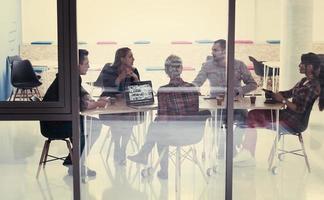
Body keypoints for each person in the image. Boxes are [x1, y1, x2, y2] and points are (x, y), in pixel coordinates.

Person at [128, 55, 211, 179]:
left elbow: (163, 119)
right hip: (194, 134)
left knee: (157, 127)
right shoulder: (193, 88)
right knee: (158, 127)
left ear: (166, 71)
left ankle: (160, 169)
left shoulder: (163, 91)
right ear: (181, 69)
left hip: (175, 136)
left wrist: (157, 122)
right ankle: (145, 155)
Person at [242, 52, 324, 161]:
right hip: (286, 115)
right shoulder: (304, 81)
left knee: (253, 115)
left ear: (310, 67)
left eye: (302, 63)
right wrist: (274, 93)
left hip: (294, 122)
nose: (299, 65)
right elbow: (289, 93)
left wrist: (283, 100)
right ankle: (247, 152)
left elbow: (299, 109)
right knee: (253, 113)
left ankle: (247, 154)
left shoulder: (313, 86)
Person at [40, 49, 108, 176]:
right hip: (55, 126)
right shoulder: (70, 78)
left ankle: (74, 162)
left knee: (89, 125)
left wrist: (90, 98)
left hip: (61, 120)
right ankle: (75, 163)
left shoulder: (69, 75)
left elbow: (81, 93)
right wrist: (98, 104)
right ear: (78, 65)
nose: (89, 66)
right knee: (94, 126)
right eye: (86, 63)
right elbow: (82, 106)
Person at [192, 39, 258, 160]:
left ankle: (235, 146)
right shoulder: (207, 65)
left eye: (215, 50)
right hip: (217, 106)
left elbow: (253, 84)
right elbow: (197, 82)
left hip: (236, 105)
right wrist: (193, 89)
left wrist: (239, 90)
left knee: (247, 121)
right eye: (212, 49)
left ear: (225, 52)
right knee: (216, 124)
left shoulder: (239, 65)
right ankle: (228, 152)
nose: (212, 52)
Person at [98, 47, 140, 165]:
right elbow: (106, 87)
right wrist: (120, 78)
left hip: (127, 106)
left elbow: (138, 91)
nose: (133, 59)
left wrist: (135, 79)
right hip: (112, 105)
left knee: (129, 118)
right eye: (130, 56)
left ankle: (123, 148)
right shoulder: (109, 69)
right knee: (116, 118)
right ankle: (117, 146)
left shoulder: (134, 70)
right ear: (122, 59)